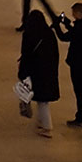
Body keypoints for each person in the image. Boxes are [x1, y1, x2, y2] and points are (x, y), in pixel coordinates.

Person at [19, 9, 59, 137]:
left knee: (42, 101)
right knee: (43, 100)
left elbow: (25, 55)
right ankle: (41, 122)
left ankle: (47, 127)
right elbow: (55, 54)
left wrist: (22, 72)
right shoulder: (49, 33)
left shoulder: (29, 34)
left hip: (35, 72)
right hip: (48, 71)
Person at [56, 3, 82, 126]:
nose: (72, 15)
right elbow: (74, 32)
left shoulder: (79, 28)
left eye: (73, 13)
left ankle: (80, 118)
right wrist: (67, 23)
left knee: (80, 91)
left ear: (79, 13)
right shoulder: (81, 25)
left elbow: (64, 37)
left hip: (78, 64)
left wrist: (56, 26)